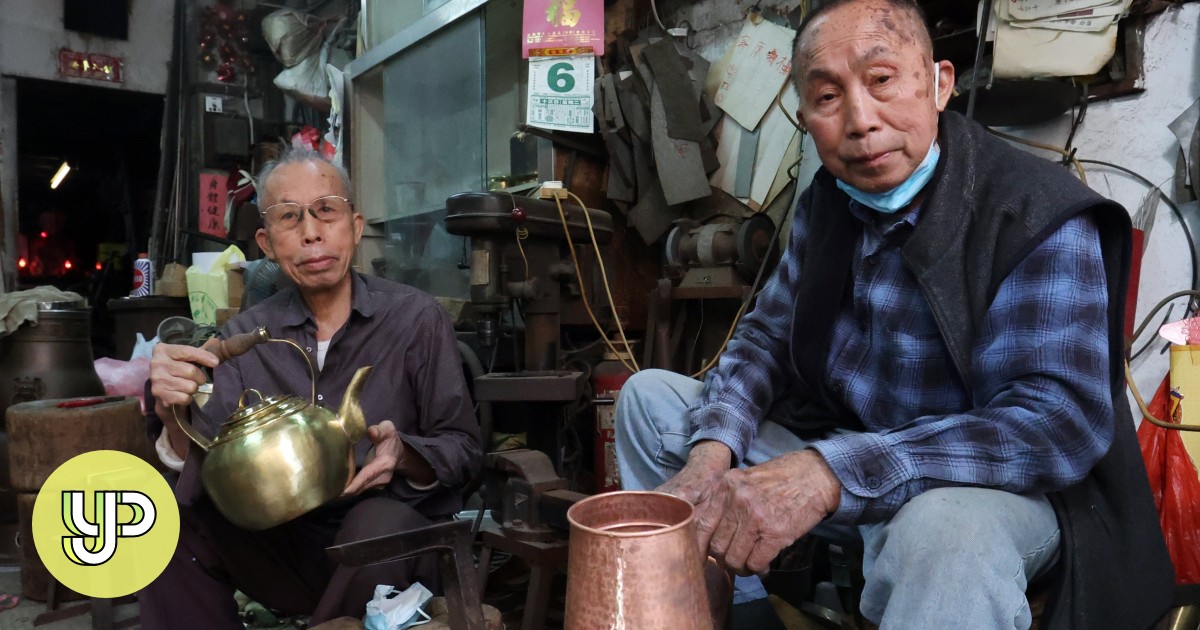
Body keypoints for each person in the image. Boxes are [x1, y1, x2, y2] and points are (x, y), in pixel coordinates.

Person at [615, 1, 1174, 628]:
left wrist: (830, 472)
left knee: (945, 532)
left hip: (988, 488)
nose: (860, 120)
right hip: (851, 448)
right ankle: (738, 615)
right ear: (806, 120)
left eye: (881, 80)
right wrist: (710, 457)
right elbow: (767, 338)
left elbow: (1053, 425)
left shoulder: (1031, 212)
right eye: (828, 97)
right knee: (649, 401)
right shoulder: (827, 205)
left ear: (938, 83)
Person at [140, 148, 482, 628]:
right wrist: (170, 412)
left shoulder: (415, 319)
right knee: (160, 524)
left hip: (388, 547)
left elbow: (464, 448)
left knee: (377, 525)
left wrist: (402, 454)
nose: (311, 232)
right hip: (283, 545)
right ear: (265, 241)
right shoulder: (247, 336)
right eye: (289, 217)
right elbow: (207, 467)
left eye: (327, 210)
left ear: (356, 226)